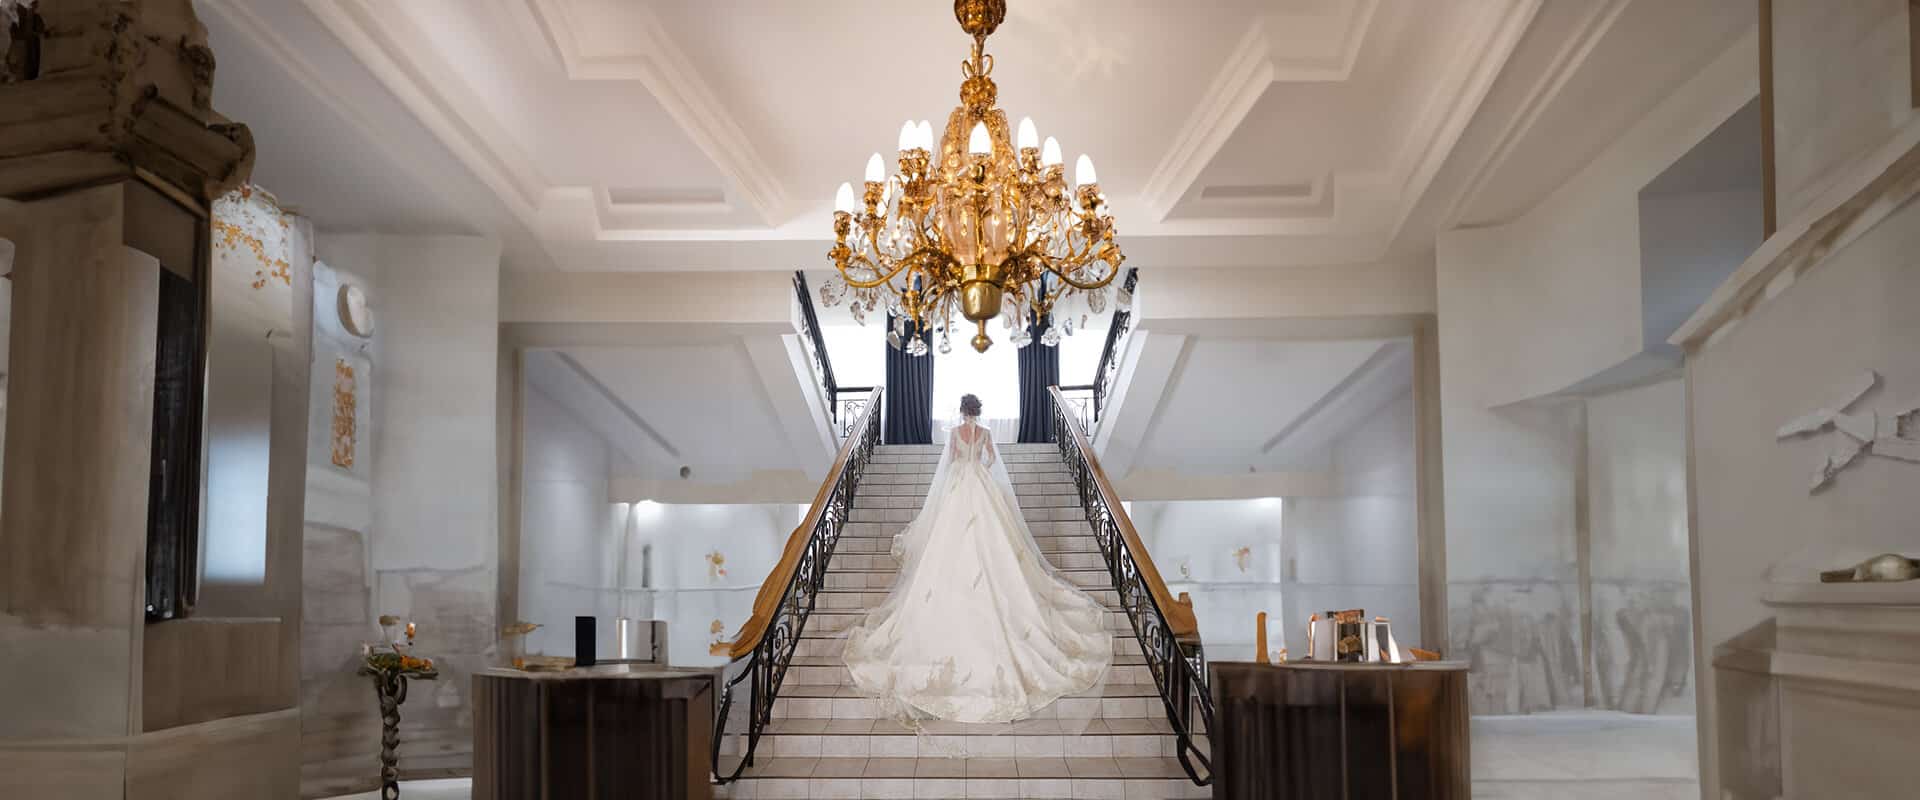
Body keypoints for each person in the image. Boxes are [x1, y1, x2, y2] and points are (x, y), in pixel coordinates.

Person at [843, 394, 1112, 723]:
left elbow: (950, 463)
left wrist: (961, 470)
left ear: (962, 411)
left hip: (959, 486)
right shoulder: (984, 433)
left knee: (950, 538)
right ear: (978, 412)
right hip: (980, 485)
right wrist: (978, 469)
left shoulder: (954, 434)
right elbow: (991, 461)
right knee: (992, 535)